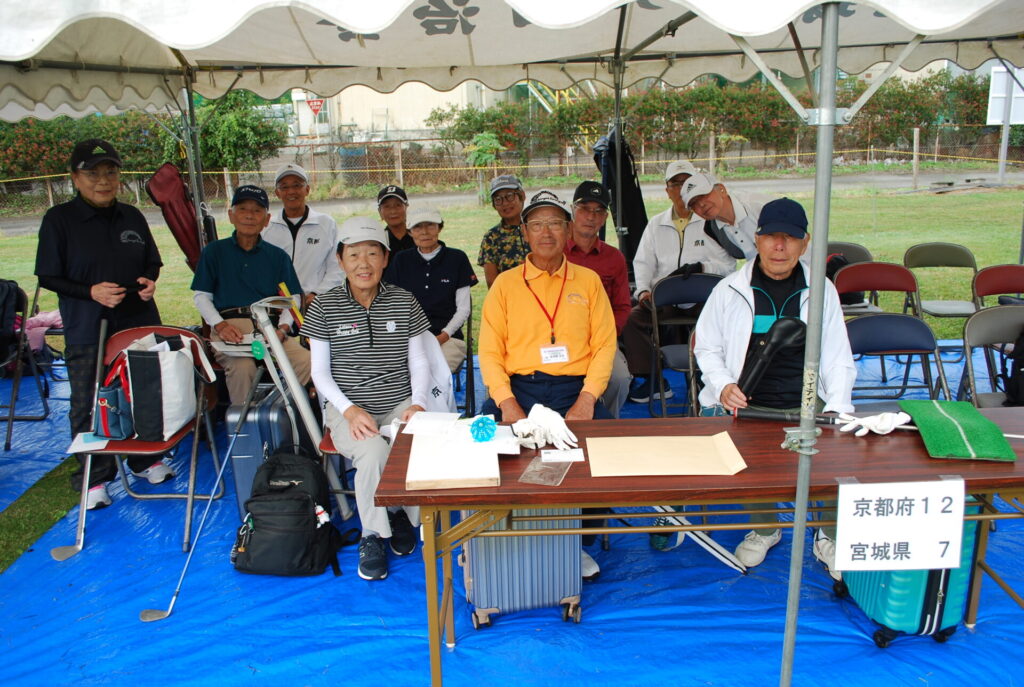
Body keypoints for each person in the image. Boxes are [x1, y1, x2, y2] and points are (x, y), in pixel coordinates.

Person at [693, 197, 855, 579]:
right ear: (757, 238)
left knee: (830, 466)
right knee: (749, 467)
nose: (779, 247)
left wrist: (838, 405)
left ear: (805, 242)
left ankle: (828, 535)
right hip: (748, 397)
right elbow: (707, 347)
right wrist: (723, 385)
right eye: (771, 237)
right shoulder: (730, 290)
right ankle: (766, 528)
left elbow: (837, 354)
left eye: (790, 238)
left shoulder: (822, 290)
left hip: (806, 396)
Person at [479, 189, 617, 580]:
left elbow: (605, 344)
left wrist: (587, 399)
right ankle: (504, 536)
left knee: (602, 453)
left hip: (574, 388)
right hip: (519, 389)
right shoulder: (505, 285)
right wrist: (506, 403)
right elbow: (488, 352)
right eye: (537, 224)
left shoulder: (588, 281)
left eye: (555, 223)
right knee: (486, 448)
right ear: (524, 232)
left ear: (568, 230)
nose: (546, 232)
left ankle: (576, 540)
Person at [35, 138, 167, 510]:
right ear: (75, 178)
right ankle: (95, 477)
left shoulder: (132, 215)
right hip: (89, 326)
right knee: (90, 402)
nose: (103, 181)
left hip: (138, 322)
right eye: (93, 174)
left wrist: (149, 279)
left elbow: (152, 261)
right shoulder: (59, 220)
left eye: (110, 172)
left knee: (144, 393)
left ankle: (145, 460)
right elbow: (48, 276)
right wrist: (90, 292)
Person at [301, 217, 433, 581]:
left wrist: (418, 403)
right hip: (347, 405)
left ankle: (401, 514)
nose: (364, 263)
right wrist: (349, 410)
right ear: (340, 260)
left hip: (398, 399)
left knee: (416, 441)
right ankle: (373, 534)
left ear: (386, 258)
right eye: (354, 254)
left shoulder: (404, 300)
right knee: (373, 451)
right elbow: (320, 374)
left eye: (373, 253)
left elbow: (419, 361)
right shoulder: (324, 307)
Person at [623, 160, 742, 404]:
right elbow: (643, 262)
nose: (681, 189)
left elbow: (728, 266)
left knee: (727, 321)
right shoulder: (656, 224)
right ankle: (652, 379)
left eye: (687, 182)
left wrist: (702, 268)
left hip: (705, 300)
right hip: (664, 299)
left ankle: (710, 378)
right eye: (675, 184)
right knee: (632, 320)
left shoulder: (711, 221)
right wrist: (643, 291)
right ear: (667, 191)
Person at [191, 185, 311, 405]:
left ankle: (285, 412)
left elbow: (292, 298)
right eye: (243, 209)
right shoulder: (214, 252)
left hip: (269, 328)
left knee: (306, 361)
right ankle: (245, 421)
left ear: (266, 219)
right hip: (231, 328)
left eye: (257, 211)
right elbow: (201, 296)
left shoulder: (277, 256)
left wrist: (283, 329)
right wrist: (220, 326)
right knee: (242, 367)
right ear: (231, 215)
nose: (249, 216)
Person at [564, 181, 631, 418]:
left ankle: (604, 424)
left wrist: (606, 336)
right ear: (573, 210)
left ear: (605, 218)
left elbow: (622, 306)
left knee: (620, 379)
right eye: (585, 209)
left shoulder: (614, 258)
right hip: (560, 338)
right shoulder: (556, 252)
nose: (591, 217)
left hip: (602, 339)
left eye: (598, 211)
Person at [384, 205, 478, 372]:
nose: (424, 232)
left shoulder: (457, 258)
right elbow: (391, 304)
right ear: (410, 232)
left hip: (449, 338)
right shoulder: (401, 260)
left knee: (434, 373)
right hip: (409, 339)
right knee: (397, 373)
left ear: (439, 228)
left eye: (430, 225)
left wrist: (443, 336)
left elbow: (464, 309)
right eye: (417, 227)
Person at [264, 163, 344, 308]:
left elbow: (337, 267)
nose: (291, 191)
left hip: (316, 304)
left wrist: (317, 294)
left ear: (307, 189)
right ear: (277, 193)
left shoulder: (326, 224)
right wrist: (274, 300)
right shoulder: (268, 228)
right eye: (284, 187)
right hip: (278, 306)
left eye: (297, 185)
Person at [478, 174, 530, 287]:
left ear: (522, 196)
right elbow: (492, 284)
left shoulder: (538, 228)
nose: (505, 203)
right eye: (498, 199)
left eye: (510, 196)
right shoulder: (491, 238)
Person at [378, 185, 415, 254]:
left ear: (406, 208)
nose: (393, 211)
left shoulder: (419, 236)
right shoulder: (379, 241)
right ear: (380, 212)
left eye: (398, 205)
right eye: (387, 206)